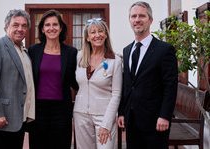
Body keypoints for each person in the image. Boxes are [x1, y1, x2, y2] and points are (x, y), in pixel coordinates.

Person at [117, 1, 178, 149]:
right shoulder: (127, 50)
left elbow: (170, 86)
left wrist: (164, 115)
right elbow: (127, 84)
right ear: (130, 20)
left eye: (142, 16)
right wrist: (122, 112)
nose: (137, 19)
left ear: (150, 20)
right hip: (131, 119)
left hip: (155, 121)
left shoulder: (164, 50)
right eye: (133, 16)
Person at [0, 9, 35, 149]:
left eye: (24, 26)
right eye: (15, 25)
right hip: (2, 119)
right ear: (6, 26)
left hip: (18, 119)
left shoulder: (24, 52)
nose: (20, 29)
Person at [28, 9, 79, 149]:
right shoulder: (33, 51)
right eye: (47, 25)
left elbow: (76, 81)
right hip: (38, 110)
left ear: (61, 28)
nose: (51, 28)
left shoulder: (71, 53)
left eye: (55, 24)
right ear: (43, 29)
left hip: (62, 111)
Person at [74, 18, 122, 149]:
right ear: (87, 38)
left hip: (104, 115)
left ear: (106, 35)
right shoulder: (79, 57)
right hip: (81, 114)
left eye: (101, 31)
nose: (97, 35)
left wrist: (106, 124)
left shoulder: (115, 60)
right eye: (93, 32)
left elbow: (116, 94)